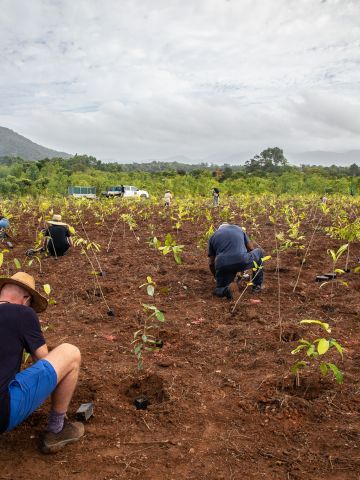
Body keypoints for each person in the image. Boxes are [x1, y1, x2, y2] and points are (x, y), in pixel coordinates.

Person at [0, 272, 84, 453]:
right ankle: (57, 429)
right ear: (25, 299)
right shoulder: (23, 313)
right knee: (70, 353)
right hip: (2, 412)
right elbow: (43, 360)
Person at [208, 223, 265, 299]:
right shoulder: (238, 229)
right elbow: (251, 249)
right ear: (229, 226)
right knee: (259, 252)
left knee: (220, 288)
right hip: (241, 260)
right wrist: (243, 264)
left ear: (219, 229)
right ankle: (257, 286)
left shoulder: (213, 236)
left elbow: (211, 263)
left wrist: (217, 276)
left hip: (223, 265)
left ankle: (227, 290)